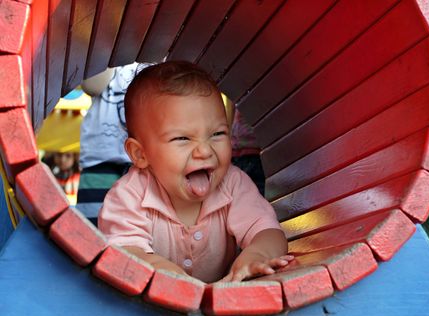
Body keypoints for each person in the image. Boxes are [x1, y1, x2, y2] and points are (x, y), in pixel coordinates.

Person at [98, 61, 292, 283]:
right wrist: (163, 271)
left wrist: (257, 255)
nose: (204, 150)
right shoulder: (129, 195)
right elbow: (125, 252)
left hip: (222, 303)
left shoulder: (233, 183)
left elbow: (268, 232)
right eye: (182, 138)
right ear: (141, 154)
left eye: (217, 134)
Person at [76, 63, 146, 225]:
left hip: (146, 162)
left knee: (138, 227)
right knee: (91, 229)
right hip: (101, 159)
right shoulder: (109, 54)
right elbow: (93, 87)